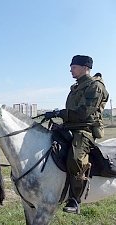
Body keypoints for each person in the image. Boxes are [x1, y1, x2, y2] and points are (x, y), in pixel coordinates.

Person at [45, 55, 109, 214]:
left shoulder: (95, 86)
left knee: (75, 159)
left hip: (84, 130)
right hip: (70, 126)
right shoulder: (76, 87)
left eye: (73, 67)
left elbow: (84, 113)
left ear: (85, 67)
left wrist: (60, 113)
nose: (70, 70)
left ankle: (74, 199)